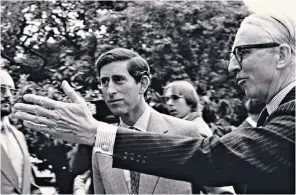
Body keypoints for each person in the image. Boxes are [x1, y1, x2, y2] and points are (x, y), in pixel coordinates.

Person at [14, 12, 295, 194]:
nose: (232, 66)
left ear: (282, 55)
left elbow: (212, 160)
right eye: (103, 81)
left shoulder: (290, 114)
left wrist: (95, 133)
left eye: (242, 52)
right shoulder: (274, 115)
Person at [163, 80, 235, 194]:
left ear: (190, 101)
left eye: (175, 98)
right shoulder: (184, 126)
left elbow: (216, 177)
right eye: (166, 99)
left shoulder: (195, 130)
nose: (170, 103)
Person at [0, 69, 40, 194]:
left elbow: (29, 185)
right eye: (1, 89)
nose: (8, 95)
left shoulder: (19, 136)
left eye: (12, 91)